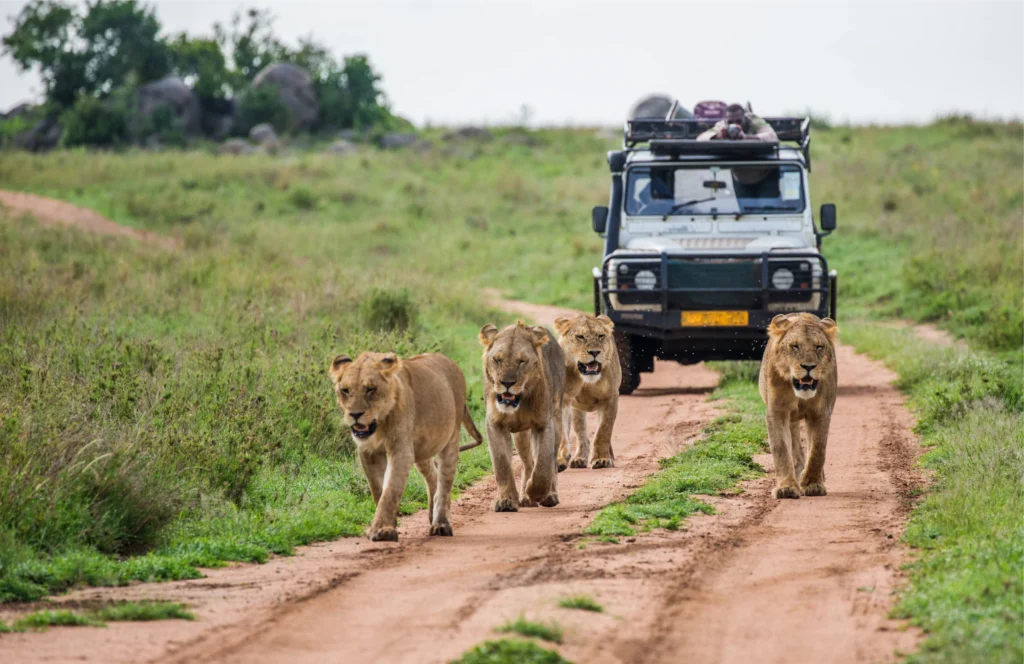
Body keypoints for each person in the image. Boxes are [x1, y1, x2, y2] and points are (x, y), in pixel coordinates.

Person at [696, 103, 778, 142]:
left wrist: (747, 137)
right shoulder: (723, 125)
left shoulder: (754, 121)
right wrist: (716, 136)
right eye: (730, 122)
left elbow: (772, 136)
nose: (734, 124)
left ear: (745, 118)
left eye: (739, 121)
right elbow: (700, 139)